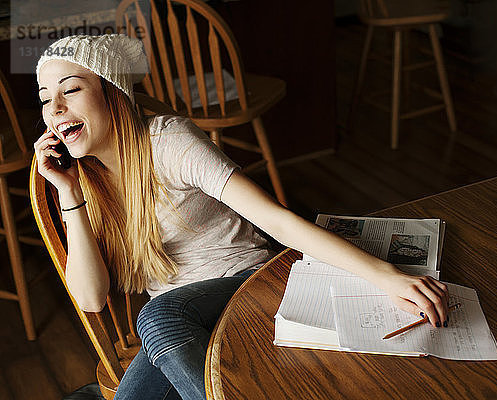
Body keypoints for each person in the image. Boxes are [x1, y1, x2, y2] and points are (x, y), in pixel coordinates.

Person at [34, 34, 449, 400]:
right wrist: (68, 192)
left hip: (247, 282)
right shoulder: (83, 179)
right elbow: (90, 298)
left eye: (70, 90)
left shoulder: (169, 142)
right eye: (44, 98)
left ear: (112, 93)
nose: (54, 107)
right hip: (182, 324)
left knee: (156, 315)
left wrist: (385, 274)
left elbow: (277, 220)